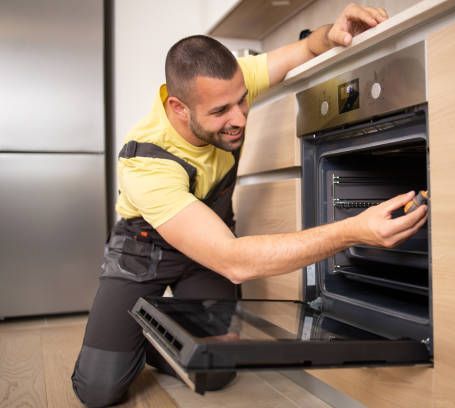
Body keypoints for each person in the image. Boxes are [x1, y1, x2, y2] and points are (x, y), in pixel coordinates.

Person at [71, 4, 428, 407]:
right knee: (99, 391)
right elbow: (233, 260)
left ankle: (158, 333)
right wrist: (353, 231)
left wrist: (333, 31)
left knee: (218, 367)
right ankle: (133, 334)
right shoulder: (147, 161)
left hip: (209, 244)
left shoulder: (228, 85)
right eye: (221, 111)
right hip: (144, 251)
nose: (239, 118)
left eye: (242, 101)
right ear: (178, 109)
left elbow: (308, 46)